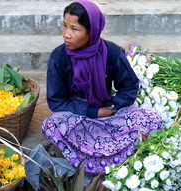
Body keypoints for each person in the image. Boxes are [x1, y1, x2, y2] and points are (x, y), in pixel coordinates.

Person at [42, 0, 162, 174]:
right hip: (77, 117)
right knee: (51, 124)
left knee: (152, 120)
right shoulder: (59, 57)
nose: (66, 34)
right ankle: (111, 159)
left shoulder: (112, 53)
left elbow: (129, 87)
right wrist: (92, 113)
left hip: (109, 115)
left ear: (92, 31)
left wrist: (111, 108)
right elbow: (57, 101)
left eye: (75, 29)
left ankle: (90, 158)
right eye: (64, 26)